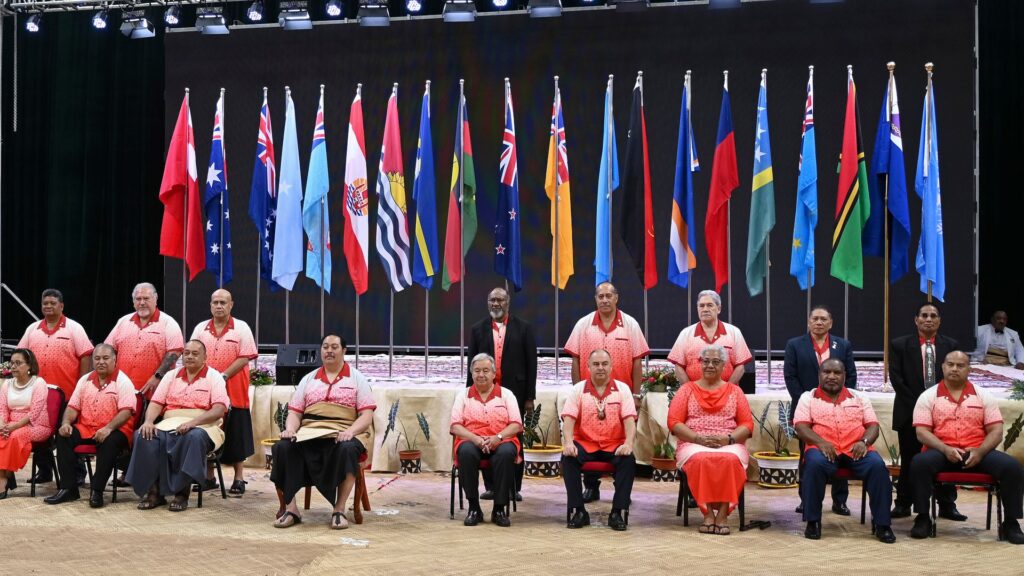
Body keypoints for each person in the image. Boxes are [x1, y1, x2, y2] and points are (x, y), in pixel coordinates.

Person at [909, 351, 1024, 544]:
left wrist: (980, 452)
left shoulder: (983, 395)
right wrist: (945, 449)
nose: (954, 369)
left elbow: (996, 431)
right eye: (950, 364)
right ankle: (922, 518)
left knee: (1012, 467)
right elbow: (922, 433)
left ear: (969, 369)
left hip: (977, 452)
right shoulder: (928, 396)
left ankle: (1011, 523)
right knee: (919, 463)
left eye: (960, 365)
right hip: (942, 451)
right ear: (943, 367)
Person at [271, 335, 375, 530]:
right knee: (282, 447)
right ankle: (291, 509)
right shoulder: (309, 379)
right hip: (310, 432)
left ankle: (339, 510)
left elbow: (366, 416)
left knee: (348, 449)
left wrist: (350, 431)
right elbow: (295, 412)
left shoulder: (357, 378)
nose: (329, 350)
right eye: (325, 347)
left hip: (343, 431)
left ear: (344, 351)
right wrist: (291, 429)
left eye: (334, 347)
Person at [793, 358, 896, 543]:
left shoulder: (859, 397)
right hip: (822, 449)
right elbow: (801, 427)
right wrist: (821, 442)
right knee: (814, 465)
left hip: (856, 448)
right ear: (819, 375)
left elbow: (873, 426)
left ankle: (883, 525)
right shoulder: (808, 397)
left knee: (878, 467)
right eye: (827, 372)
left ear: (844, 376)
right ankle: (813, 521)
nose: (831, 376)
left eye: (837, 373)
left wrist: (864, 442)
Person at [564, 281, 648, 503]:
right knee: (587, 439)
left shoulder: (630, 325)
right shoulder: (583, 325)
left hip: (621, 399)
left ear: (616, 298)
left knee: (621, 444)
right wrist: (577, 391)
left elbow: (637, 361)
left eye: (608, 295)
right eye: (600, 296)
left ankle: (622, 492)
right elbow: (576, 360)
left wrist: (636, 395)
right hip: (589, 397)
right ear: (595, 299)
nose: (604, 300)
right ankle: (591, 487)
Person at [125, 340, 228, 512]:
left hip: (203, 425)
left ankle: (182, 494)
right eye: (186, 353)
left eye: (195, 353)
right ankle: (155, 492)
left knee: (192, 437)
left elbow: (219, 409)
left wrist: (192, 423)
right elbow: (156, 403)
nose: (189, 356)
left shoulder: (214, 376)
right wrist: (149, 421)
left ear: (205, 358)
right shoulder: (171, 376)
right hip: (169, 423)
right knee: (143, 435)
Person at [667, 345, 753, 535]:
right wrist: (698, 439)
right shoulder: (686, 390)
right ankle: (707, 513)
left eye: (716, 362)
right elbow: (673, 422)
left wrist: (728, 440)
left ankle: (722, 514)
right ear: (699, 363)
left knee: (730, 460)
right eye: (706, 361)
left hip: (728, 442)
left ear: (725, 365)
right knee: (701, 459)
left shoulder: (735, 391)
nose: (710, 365)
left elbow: (747, 424)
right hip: (693, 442)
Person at [784, 305, 857, 516]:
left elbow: (850, 376)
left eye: (823, 319)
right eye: (814, 319)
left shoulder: (842, 345)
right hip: (805, 410)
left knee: (841, 452)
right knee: (807, 457)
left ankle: (839, 501)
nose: (818, 322)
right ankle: (806, 500)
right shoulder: (795, 345)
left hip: (840, 411)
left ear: (830, 323)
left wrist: (841, 401)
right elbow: (790, 377)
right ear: (808, 322)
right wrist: (809, 401)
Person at [889, 303, 961, 520]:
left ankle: (947, 505)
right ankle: (903, 504)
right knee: (910, 460)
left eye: (933, 316)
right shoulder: (900, 345)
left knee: (947, 457)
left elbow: (956, 380)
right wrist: (922, 408)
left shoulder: (951, 346)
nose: (928, 319)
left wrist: (938, 409)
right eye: (924, 315)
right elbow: (897, 380)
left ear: (939, 320)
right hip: (909, 412)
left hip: (945, 414)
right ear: (916, 320)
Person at [466, 286, 537, 501]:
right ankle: (492, 486)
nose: (495, 304)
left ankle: (513, 487)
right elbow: (471, 365)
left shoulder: (523, 328)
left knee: (513, 438)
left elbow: (531, 363)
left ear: (508, 303)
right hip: (484, 395)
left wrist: (529, 397)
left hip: (515, 393)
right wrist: (470, 394)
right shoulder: (477, 329)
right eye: (492, 300)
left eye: (500, 300)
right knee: (485, 435)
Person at [17, 288, 94, 484]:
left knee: (66, 434)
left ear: (61, 305)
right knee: (40, 433)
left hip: (68, 394)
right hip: (38, 395)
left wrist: (81, 386)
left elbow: (85, 355)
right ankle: (44, 472)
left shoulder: (74, 328)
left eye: (52, 303)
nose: (48, 306)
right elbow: (21, 356)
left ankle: (76, 474)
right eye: (45, 303)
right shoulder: (32, 329)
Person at [45, 344, 137, 508]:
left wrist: (108, 428)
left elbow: (126, 412)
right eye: (97, 358)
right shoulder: (85, 380)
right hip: (87, 428)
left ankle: (97, 491)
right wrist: (66, 423)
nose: (101, 362)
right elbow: (73, 407)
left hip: (116, 429)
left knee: (108, 442)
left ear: (114, 359)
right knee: (63, 435)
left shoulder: (123, 381)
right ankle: (69, 489)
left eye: (105, 358)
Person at [191, 289, 258, 496]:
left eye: (223, 302)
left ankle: (239, 478)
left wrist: (224, 376)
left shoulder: (241, 328)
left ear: (231, 305)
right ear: (210, 305)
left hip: (234, 390)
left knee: (237, 433)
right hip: (207, 391)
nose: (218, 306)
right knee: (208, 429)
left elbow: (245, 357)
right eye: (215, 302)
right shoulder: (201, 328)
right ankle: (209, 477)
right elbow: (193, 353)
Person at [561, 349, 636, 531]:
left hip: (613, 445)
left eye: (604, 364)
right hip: (586, 444)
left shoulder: (623, 389)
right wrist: (568, 443)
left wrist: (628, 444)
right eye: (595, 364)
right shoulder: (577, 390)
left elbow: (630, 421)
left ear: (611, 367)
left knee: (628, 460)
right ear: (588, 367)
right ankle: (579, 510)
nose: (600, 368)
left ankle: (617, 511)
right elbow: (569, 420)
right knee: (568, 458)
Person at [450, 353, 523, 528]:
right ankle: (474, 508)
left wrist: (498, 437)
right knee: (466, 452)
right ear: (471, 374)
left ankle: (499, 508)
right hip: (471, 440)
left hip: (501, 440)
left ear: (493, 373)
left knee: (505, 454)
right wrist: (475, 439)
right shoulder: (463, 395)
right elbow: (455, 427)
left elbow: (516, 425)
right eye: (477, 371)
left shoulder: (506, 395)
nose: (481, 375)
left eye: (485, 370)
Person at [104, 282, 184, 397]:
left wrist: (157, 377)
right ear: (133, 302)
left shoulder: (168, 322)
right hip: (121, 390)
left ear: (155, 299)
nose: (142, 302)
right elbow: (108, 349)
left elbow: (174, 353)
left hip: (154, 391)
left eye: (146, 298)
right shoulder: (123, 321)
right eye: (138, 299)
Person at [0, 349, 53, 499]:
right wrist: (3, 424)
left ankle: (4, 478)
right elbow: (2, 409)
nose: (14, 367)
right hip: (10, 423)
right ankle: (3, 474)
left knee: (14, 436)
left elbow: (34, 413)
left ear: (29, 365)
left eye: (18, 363)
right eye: (12, 363)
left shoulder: (38, 383)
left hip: (37, 425)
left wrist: (14, 427)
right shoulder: (7, 384)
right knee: (2, 435)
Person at [668, 290, 752, 384]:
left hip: (727, 394)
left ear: (719, 309)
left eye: (709, 305)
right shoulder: (686, 333)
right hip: (695, 394)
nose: (705, 309)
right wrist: (691, 391)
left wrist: (727, 391)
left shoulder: (734, 332)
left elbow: (740, 367)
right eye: (701, 306)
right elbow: (678, 366)